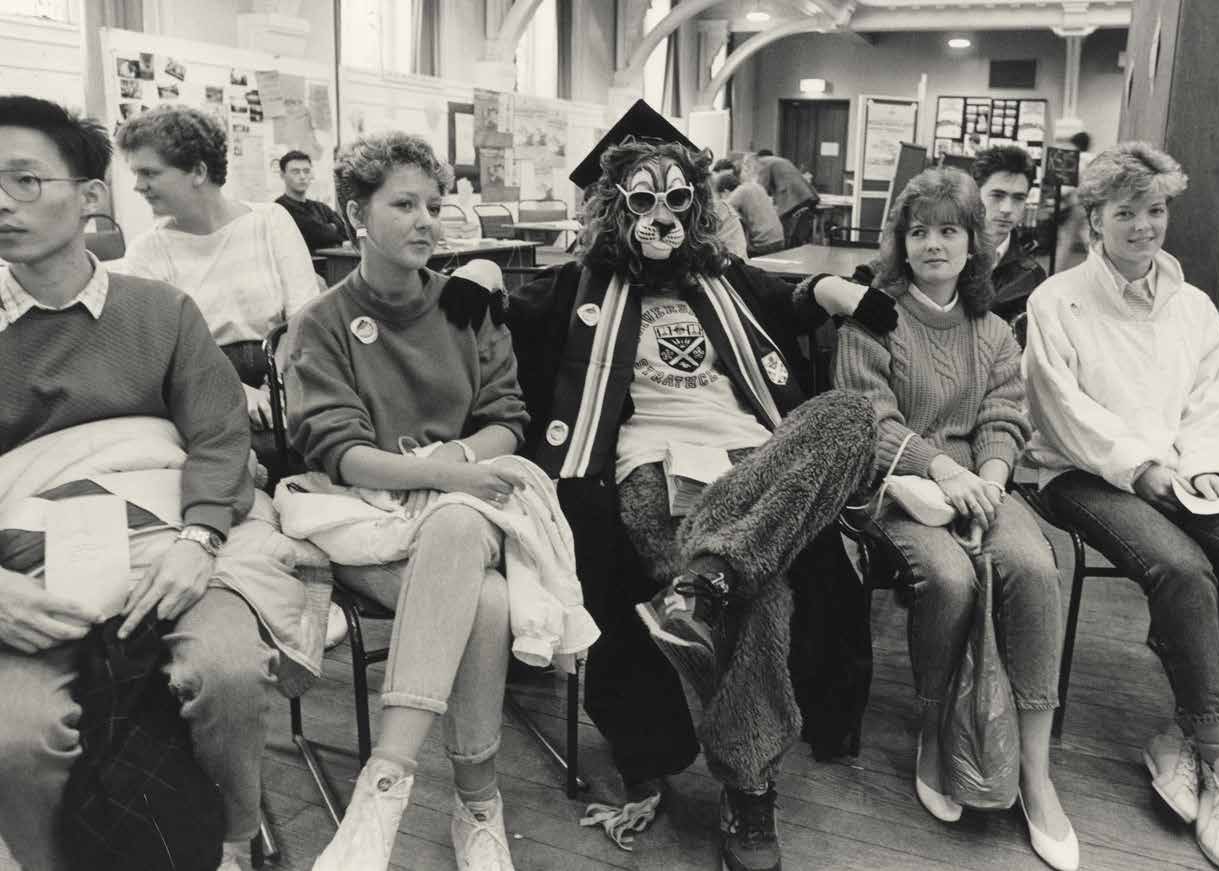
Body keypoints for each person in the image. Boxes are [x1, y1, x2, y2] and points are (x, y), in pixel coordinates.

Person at [509, 100, 895, 871]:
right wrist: (482, 268)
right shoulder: (582, 287)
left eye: (677, 199)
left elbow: (790, 295)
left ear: (699, 202)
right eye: (642, 201)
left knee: (850, 414)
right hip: (650, 468)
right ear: (616, 208)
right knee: (760, 591)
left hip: (750, 460)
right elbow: (513, 306)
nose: (661, 216)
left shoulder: (723, 280)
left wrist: (837, 294)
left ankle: (709, 578)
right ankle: (749, 786)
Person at [0, 95, 279, 871]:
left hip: (169, 539)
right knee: (14, 732)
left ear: (90, 196)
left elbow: (221, 433)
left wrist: (199, 539)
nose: (1, 202)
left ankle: (229, 843)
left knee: (226, 672)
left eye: (25, 179)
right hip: (22, 563)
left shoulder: (159, 311)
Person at [285, 131, 533, 871]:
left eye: (435, 203)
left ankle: (382, 791)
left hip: (464, 503)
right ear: (357, 212)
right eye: (405, 204)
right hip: (369, 520)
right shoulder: (322, 320)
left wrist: (454, 465)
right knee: (484, 604)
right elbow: (337, 449)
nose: (427, 219)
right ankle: (478, 806)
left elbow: (507, 420)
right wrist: (450, 478)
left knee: (459, 523)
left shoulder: (465, 305)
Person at [832, 167, 1077, 871]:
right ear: (899, 242)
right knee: (948, 576)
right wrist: (945, 471)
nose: (933, 243)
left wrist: (991, 484)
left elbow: (1006, 416)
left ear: (975, 244)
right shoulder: (874, 316)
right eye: (918, 230)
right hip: (899, 484)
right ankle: (935, 725)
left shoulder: (994, 328)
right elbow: (866, 418)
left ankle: (1034, 771)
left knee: (1033, 564)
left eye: (949, 230)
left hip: (983, 481)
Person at [1022, 142, 1219, 870]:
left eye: (1156, 209)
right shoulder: (1058, 300)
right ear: (1094, 219)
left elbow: (1214, 399)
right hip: (1079, 473)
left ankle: (1183, 736)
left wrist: (1201, 470)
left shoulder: (1193, 305)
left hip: (1180, 471)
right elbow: (1060, 410)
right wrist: (1137, 466)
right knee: (1181, 566)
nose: (1145, 226)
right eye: (1126, 213)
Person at [116, 106, 318, 441]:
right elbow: (164, 353)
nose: (138, 186)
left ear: (197, 171)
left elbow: (304, 317)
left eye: (149, 173)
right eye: (136, 174)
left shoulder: (271, 221)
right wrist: (234, 390)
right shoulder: (146, 251)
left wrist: (276, 385)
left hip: (286, 366)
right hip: (199, 383)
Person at [971, 144, 1046, 320]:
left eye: (1019, 198)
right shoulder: (945, 253)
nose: (1007, 209)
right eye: (997, 196)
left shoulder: (1032, 276)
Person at [275, 149, 350, 252]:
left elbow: (345, 231)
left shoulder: (321, 207)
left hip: (330, 266)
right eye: (295, 172)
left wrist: (326, 230)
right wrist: (332, 228)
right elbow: (315, 235)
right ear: (282, 175)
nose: (302, 176)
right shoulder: (279, 208)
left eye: (306, 171)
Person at [714, 158, 785, 258]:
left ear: (725, 192)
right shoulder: (757, 187)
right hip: (779, 239)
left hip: (764, 245)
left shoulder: (741, 191)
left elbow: (721, 211)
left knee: (736, 258)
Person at [747, 150, 815, 217]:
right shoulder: (781, 160)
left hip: (791, 199)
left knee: (783, 222)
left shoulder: (762, 161)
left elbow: (762, 187)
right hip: (807, 195)